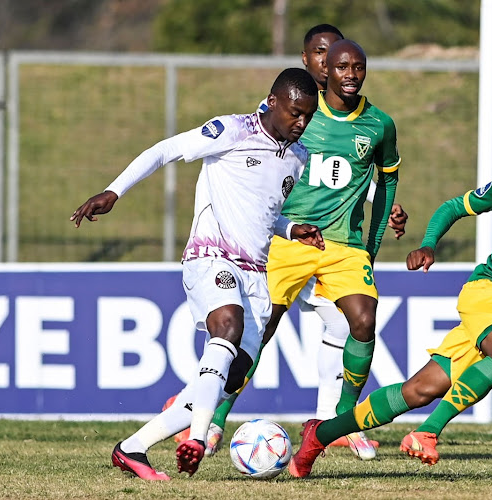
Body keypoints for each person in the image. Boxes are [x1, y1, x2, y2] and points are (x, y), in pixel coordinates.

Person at [287, 111, 492, 478]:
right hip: (489, 292)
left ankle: (319, 436)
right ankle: (427, 432)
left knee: (418, 391)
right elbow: (453, 207)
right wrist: (429, 243)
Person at [167, 24, 408, 461]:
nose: (334, 65)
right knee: (261, 330)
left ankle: (336, 421)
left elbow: (353, 174)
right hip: (289, 235)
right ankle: (213, 415)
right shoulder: (294, 113)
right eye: (324, 56)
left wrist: (377, 220)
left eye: (352, 63)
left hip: (341, 244)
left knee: (357, 321)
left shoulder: (375, 123)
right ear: (311, 61)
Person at [70, 67, 322, 481]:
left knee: (229, 376)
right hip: (211, 256)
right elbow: (163, 150)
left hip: (256, 274)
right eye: (295, 113)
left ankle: (131, 449)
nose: (301, 123)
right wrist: (114, 191)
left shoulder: (299, 156)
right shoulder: (232, 130)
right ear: (273, 101)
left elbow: (263, 212)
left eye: (308, 116)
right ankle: (199, 437)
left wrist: (292, 229)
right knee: (227, 327)